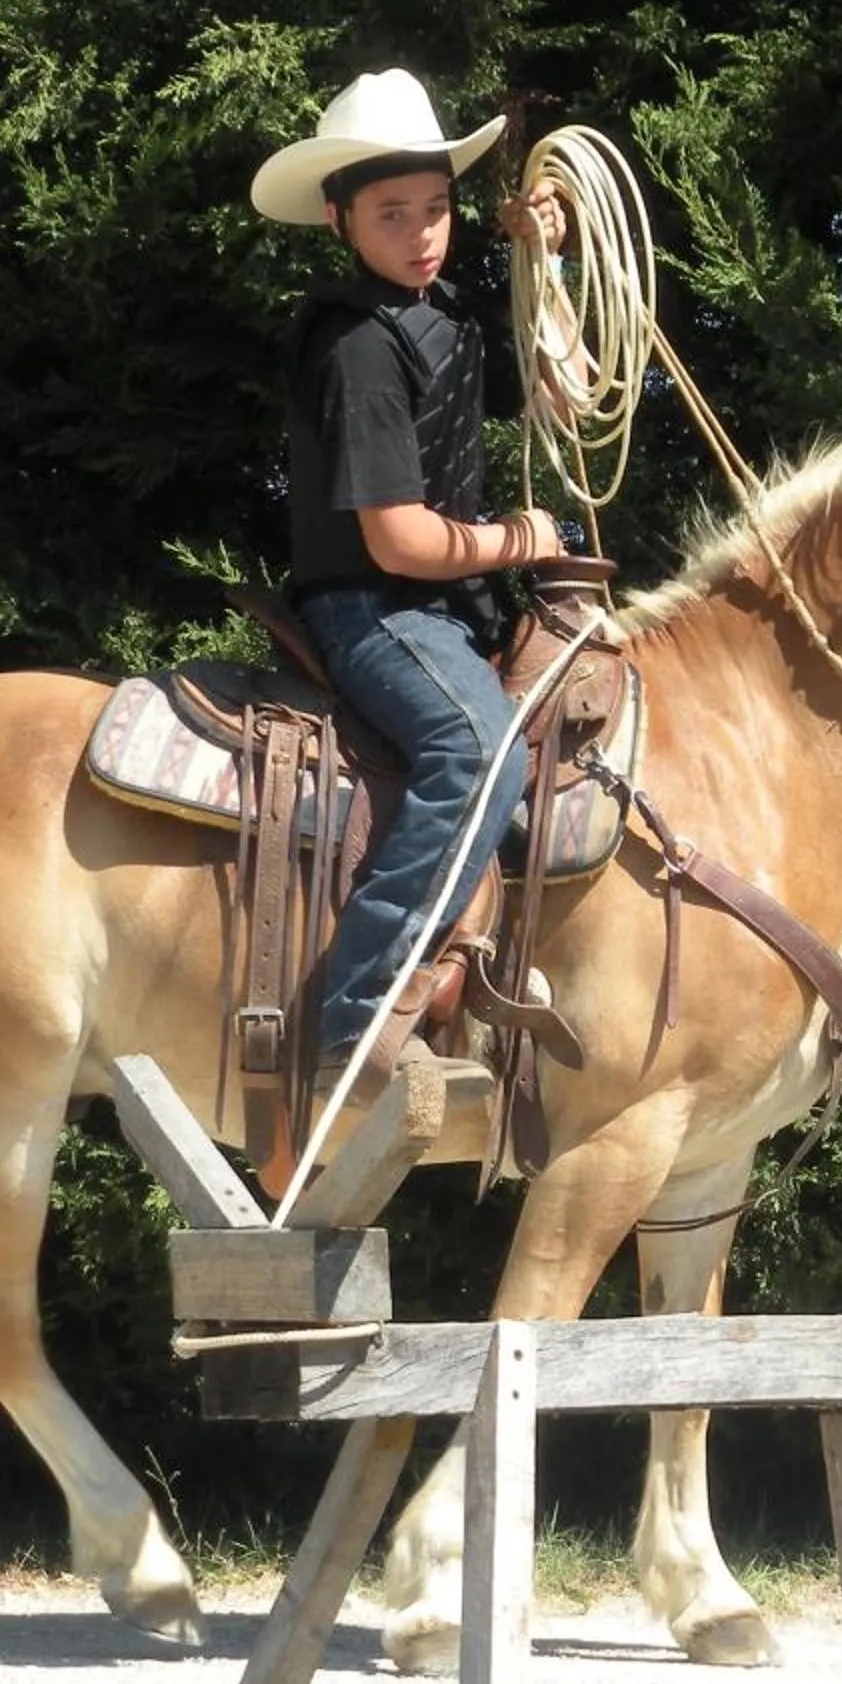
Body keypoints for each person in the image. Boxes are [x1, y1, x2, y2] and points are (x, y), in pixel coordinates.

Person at [249, 68, 576, 1085]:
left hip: (438, 612)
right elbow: (397, 542)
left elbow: (565, 392)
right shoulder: (356, 345)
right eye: (394, 215)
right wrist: (521, 541)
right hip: (376, 612)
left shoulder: (437, 317)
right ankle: (356, 1016)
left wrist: (546, 263)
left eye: (435, 210)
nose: (423, 234)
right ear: (341, 219)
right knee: (479, 753)